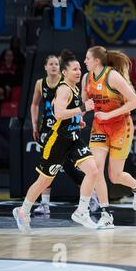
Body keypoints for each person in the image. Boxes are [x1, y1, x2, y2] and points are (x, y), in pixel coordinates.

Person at [13, 50, 99, 233]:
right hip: (58, 141)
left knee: (93, 170)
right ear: (65, 73)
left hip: (74, 138)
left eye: (79, 69)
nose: (78, 72)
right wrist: (83, 108)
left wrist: (78, 120)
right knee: (44, 181)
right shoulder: (63, 89)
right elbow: (58, 114)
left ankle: (81, 212)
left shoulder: (75, 88)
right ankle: (23, 211)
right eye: (74, 69)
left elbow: (66, 114)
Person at [83, 46, 136, 228]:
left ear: (97, 61)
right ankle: (106, 214)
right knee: (95, 170)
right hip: (99, 127)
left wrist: (109, 115)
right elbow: (85, 102)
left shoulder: (112, 76)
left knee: (115, 176)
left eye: (87, 58)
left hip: (121, 126)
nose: (84, 61)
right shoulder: (86, 78)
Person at [30, 55, 99, 215]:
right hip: (50, 131)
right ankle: (40, 205)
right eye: (51, 64)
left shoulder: (68, 86)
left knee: (75, 169)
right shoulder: (42, 84)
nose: (53, 66)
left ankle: (89, 201)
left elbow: (65, 110)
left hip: (65, 130)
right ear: (46, 67)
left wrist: (77, 119)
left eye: (56, 63)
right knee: (46, 174)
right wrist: (34, 124)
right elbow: (37, 105)